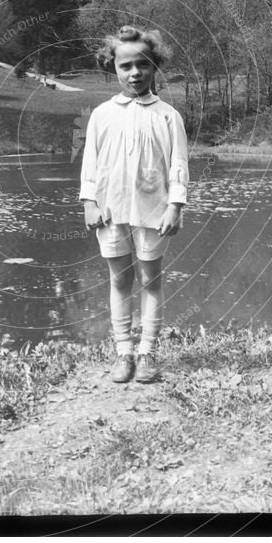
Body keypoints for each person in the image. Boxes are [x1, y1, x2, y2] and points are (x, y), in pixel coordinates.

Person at [79, 25, 189, 383]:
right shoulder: (102, 115)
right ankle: (123, 352)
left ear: (154, 66)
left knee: (150, 279)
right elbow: (91, 163)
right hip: (110, 211)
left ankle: (147, 352)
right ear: (113, 67)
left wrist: (175, 205)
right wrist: (89, 202)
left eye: (142, 65)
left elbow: (178, 165)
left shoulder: (168, 116)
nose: (135, 73)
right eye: (125, 66)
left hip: (153, 211)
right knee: (119, 279)